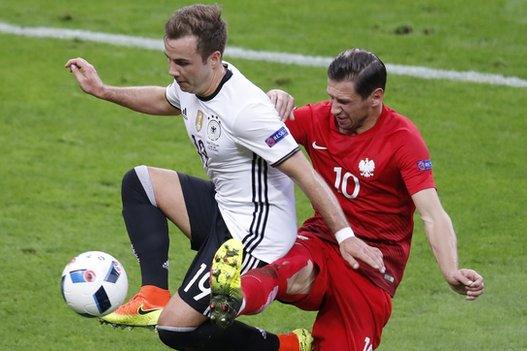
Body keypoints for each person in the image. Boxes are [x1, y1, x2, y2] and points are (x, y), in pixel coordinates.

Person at [65, 5, 383, 351]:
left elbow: (305, 174)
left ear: (214, 58)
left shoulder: (246, 112)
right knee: (140, 182)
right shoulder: (191, 84)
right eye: (169, 60)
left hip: (254, 234)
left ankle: (286, 347)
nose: (173, 71)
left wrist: (345, 236)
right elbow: (164, 98)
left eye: (182, 63)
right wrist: (104, 91)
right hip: (225, 206)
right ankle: (152, 294)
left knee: (175, 330)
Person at [209, 49, 485, 350]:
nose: (334, 109)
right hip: (323, 241)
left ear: (375, 97)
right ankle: (232, 297)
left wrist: (450, 269)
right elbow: (253, 129)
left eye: (344, 102)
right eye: (331, 97)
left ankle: (292, 343)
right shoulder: (319, 118)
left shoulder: (403, 140)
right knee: (289, 267)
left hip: (372, 272)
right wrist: (270, 100)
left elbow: (433, 213)